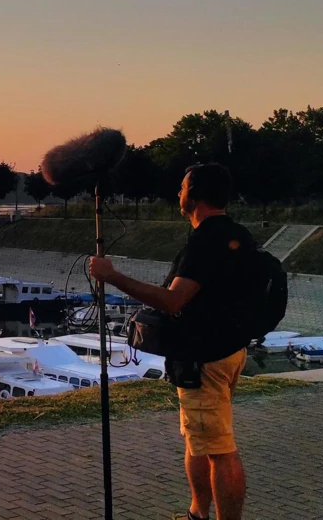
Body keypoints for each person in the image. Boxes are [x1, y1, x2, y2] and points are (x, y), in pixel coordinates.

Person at [88, 163, 253, 520]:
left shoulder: (204, 242)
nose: (178, 193)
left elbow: (173, 300)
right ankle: (198, 512)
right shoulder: (239, 235)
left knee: (220, 449)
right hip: (229, 350)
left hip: (204, 358)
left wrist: (112, 276)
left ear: (193, 195)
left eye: (182, 187)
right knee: (200, 440)